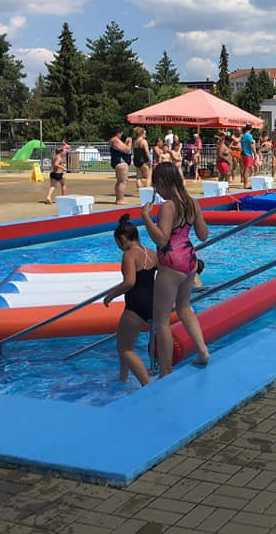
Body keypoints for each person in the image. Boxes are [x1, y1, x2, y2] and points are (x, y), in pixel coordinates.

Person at [141, 163, 210, 376]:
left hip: (171, 264)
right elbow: (203, 235)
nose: (157, 192)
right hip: (190, 260)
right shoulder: (192, 203)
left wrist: (146, 218)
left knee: (161, 320)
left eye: (157, 187)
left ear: (163, 183)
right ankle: (203, 351)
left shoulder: (168, 207)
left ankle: (166, 370)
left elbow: (162, 239)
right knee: (184, 308)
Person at [103, 214, 157, 386]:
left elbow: (130, 282)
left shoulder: (129, 255)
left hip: (136, 304)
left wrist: (110, 296)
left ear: (123, 238)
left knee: (125, 348)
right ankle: (123, 377)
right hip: (152, 302)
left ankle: (147, 385)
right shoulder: (151, 253)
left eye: (118, 243)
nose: (119, 247)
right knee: (125, 343)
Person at [109, 128, 133, 205]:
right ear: (118, 133)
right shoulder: (116, 141)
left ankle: (118, 198)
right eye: (121, 133)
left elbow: (122, 148)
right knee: (123, 182)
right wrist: (130, 142)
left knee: (119, 182)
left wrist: (126, 143)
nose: (122, 135)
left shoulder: (113, 140)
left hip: (118, 162)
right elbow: (127, 150)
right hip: (121, 162)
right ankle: (120, 199)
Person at [240, 124, 257, 189]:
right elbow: (252, 145)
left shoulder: (243, 136)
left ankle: (246, 182)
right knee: (246, 170)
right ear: (251, 129)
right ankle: (246, 184)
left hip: (243, 154)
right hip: (248, 154)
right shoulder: (249, 136)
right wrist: (255, 153)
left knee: (247, 169)